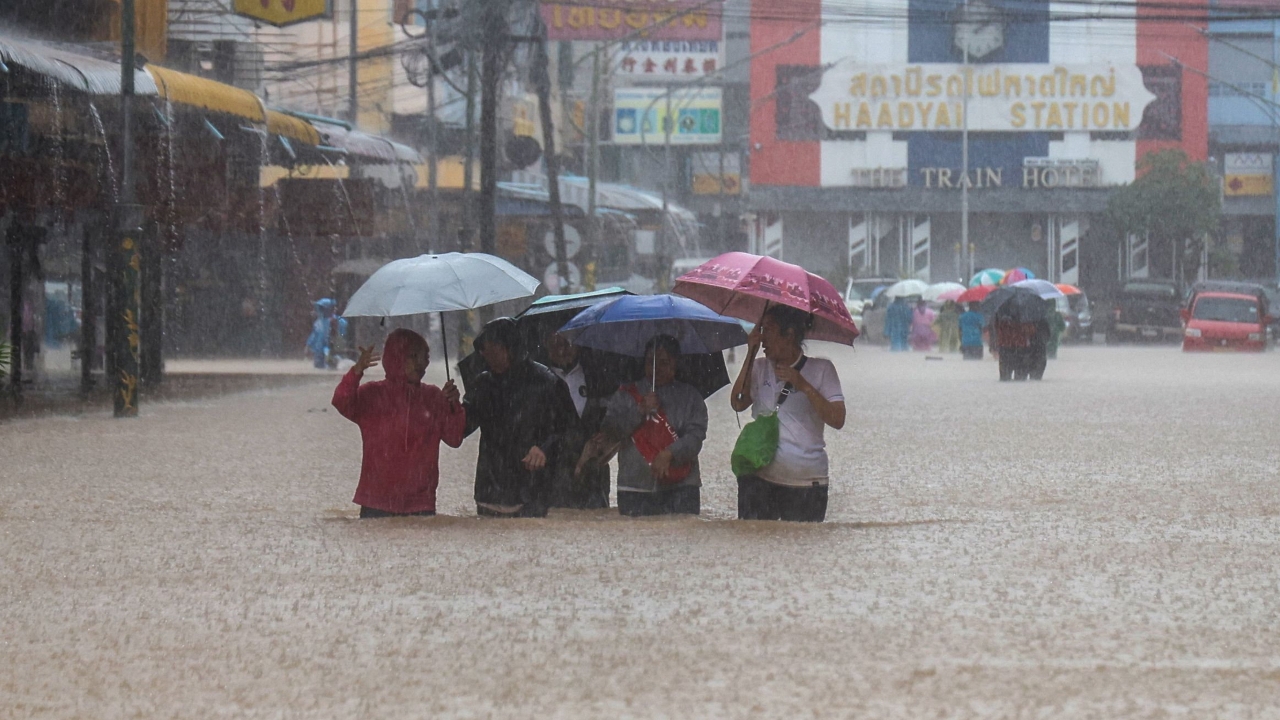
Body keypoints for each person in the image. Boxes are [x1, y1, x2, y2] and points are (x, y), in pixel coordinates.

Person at [331, 328, 465, 518]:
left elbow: (455, 437)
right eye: (413, 356)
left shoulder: (434, 397)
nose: (420, 363)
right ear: (396, 357)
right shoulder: (372, 395)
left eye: (425, 357)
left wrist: (453, 405)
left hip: (420, 503)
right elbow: (341, 400)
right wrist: (356, 371)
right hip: (375, 502)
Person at [730, 305, 845, 522]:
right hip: (759, 481)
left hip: (806, 484)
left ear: (790, 334)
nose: (763, 338)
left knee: (802, 543)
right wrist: (750, 353)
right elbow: (737, 403)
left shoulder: (822, 369)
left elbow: (838, 419)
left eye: (768, 330)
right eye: (761, 330)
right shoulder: (759, 367)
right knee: (753, 540)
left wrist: (803, 385)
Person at [463, 317, 578, 518]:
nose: (485, 354)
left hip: (533, 493)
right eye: (483, 349)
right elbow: (462, 428)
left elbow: (571, 432)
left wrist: (544, 448)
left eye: (491, 348)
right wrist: (450, 406)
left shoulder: (547, 382)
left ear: (509, 348)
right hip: (489, 492)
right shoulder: (483, 384)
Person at [601, 335, 708, 517]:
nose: (656, 368)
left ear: (675, 363)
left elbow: (696, 438)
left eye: (664, 363)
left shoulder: (691, 397)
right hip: (635, 487)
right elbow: (610, 431)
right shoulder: (625, 395)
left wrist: (670, 453)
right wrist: (639, 410)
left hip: (681, 488)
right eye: (651, 362)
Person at [544, 330, 610, 509]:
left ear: (579, 345)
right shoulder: (539, 380)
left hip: (593, 472)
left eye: (567, 344)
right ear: (546, 346)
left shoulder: (597, 376)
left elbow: (612, 418)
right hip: (552, 473)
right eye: (555, 345)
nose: (561, 351)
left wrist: (606, 435)